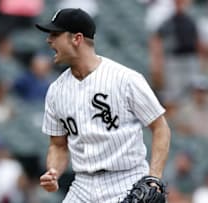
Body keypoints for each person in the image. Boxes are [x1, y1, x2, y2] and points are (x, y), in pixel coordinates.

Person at [35, 8, 171, 202]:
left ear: (77, 38)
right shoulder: (56, 91)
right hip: (82, 184)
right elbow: (58, 145)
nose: (49, 40)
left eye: (55, 34)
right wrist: (54, 171)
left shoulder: (125, 79)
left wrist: (154, 177)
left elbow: (160, 128)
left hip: (126, 180)